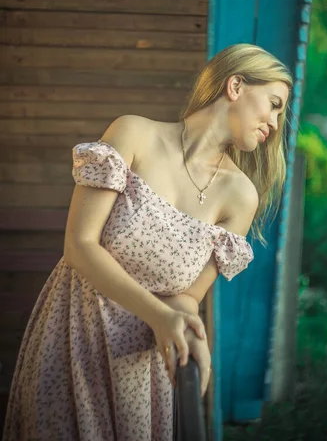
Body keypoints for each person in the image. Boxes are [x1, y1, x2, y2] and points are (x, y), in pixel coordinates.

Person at [2, 43, 292, 441]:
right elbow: (80, 245)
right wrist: (161, 316)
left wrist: (189, 329)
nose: (275, 123)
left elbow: (186, 297)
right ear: (236, 85)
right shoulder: (132, 132)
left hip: (137, 363)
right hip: (72, 334)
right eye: (274, 104)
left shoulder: (240, 198)